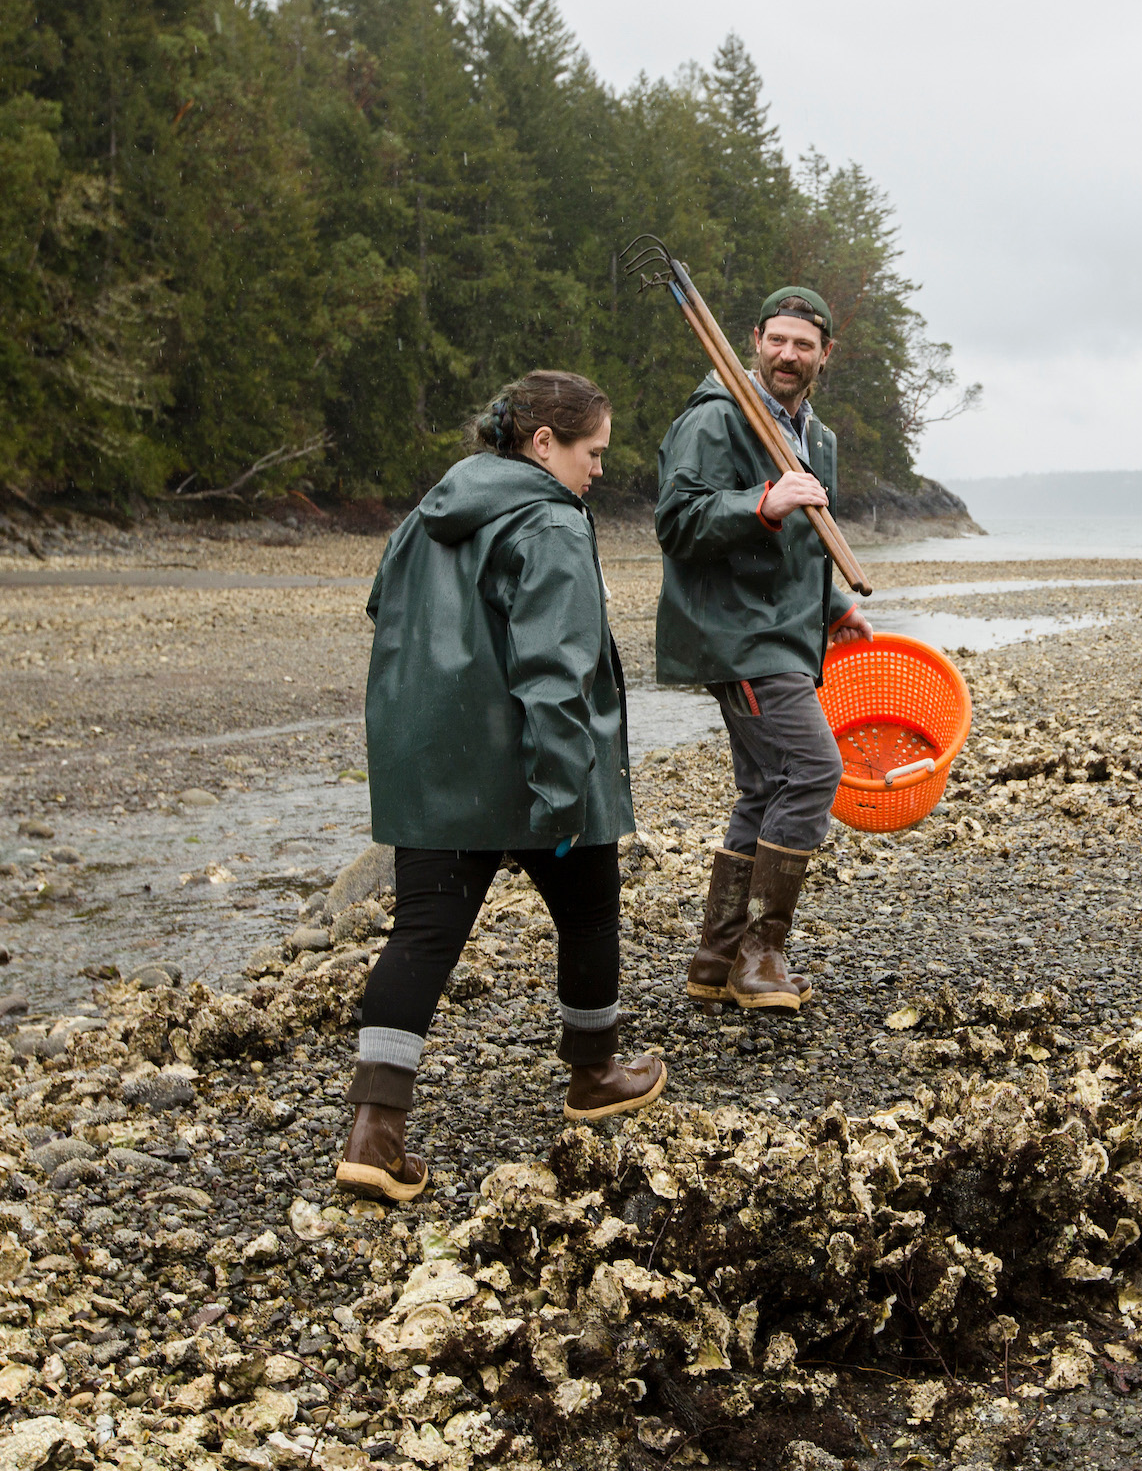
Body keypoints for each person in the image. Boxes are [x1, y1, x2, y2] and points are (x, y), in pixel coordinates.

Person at [336, 370, 665, 1205]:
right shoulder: (551, 519)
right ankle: (592, 1074)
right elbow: (556, 668)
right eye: (593, 451)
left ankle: (374, 1135)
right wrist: (563, 794)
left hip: (434, 767)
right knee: (589, 909)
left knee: (421, 937)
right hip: (525, 764)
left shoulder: (432, 509)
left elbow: (386, 608)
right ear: (543, 442)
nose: (599, 469)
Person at [654, 286, 872, 1013]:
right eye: (777, 340)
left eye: (803, 344)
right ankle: (761, 953)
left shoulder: (819, 437)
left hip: (785, 630)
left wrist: (835, 605)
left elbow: (807, 543)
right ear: (754, 339)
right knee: (813, 770)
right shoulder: (718, 417)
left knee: (764, 789)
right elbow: (677, 521)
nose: (787, 354)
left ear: (824, 355)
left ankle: (715, 960)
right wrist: (758, 503)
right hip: (738, 633)